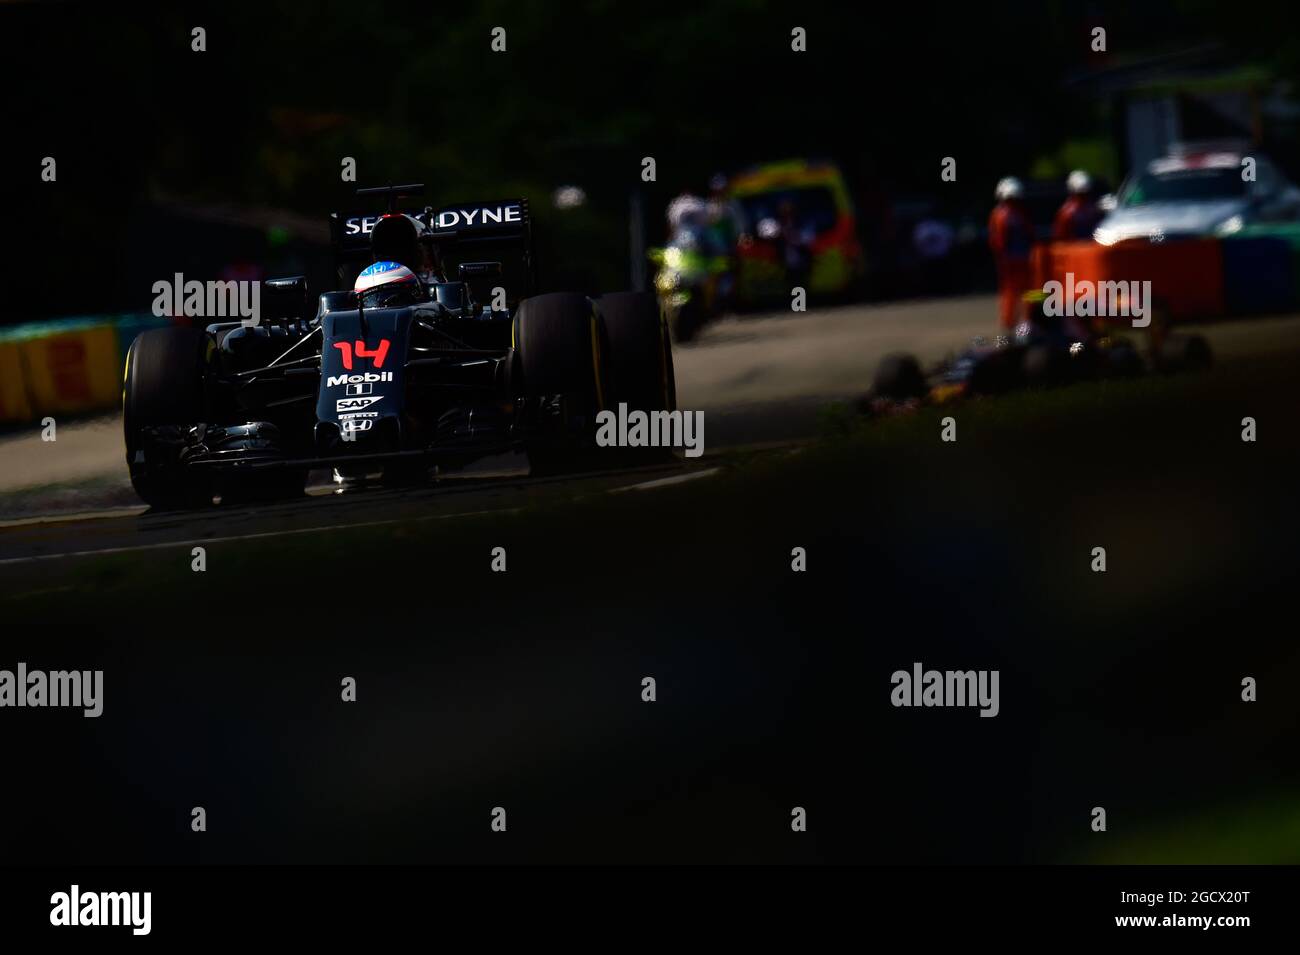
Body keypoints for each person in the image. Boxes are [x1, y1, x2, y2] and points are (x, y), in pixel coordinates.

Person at [987, 177, 1034, 330]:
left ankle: (1014, 322)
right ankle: (1024, 321)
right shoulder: (1020, 214)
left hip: (1013, 260)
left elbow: (997, 241)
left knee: (1013, 293)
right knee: (1022, 292)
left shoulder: (998, 214)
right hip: (1018, 260)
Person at [1053, 169, 1104, 241]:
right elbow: (1061, 238)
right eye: (1080, 195)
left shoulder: (1095, 211)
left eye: (1085, 195)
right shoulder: (1066, 214)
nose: (1083, 199)